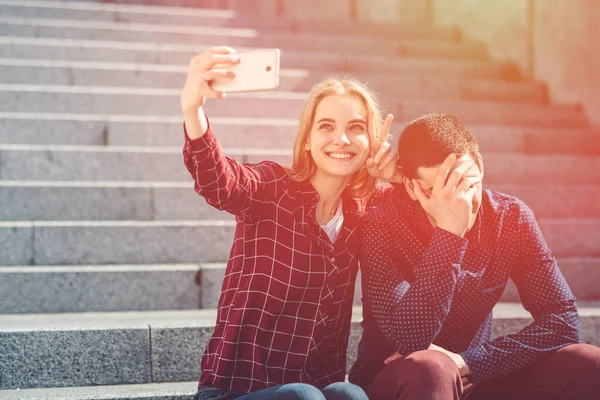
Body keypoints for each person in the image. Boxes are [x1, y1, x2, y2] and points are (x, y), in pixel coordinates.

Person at [180, 46, 398, 400]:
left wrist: (398, 173)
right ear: (308, 140)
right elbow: (220, 181)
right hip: (235, 389)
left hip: (316, 388)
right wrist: (193, 109)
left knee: (350, 394)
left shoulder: (364, 212)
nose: (341, 139)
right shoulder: (271, 187)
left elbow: (427, 206)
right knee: (302, 396)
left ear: (371, 141)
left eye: (355, 128)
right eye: (326, 126)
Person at [349, 113, 600, 400]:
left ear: (479, 165)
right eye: (436, 190)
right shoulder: (382, 224)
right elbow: (409, 340)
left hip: (475, 377)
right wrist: (449, 234)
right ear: (411, 186)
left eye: (465, 183)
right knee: (433, 367)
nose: (459, 201)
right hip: (399, 379)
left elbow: (564, 322)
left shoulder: (510, 218)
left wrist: (470, 361)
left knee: (588, 362)